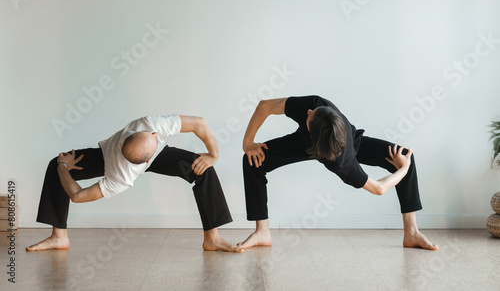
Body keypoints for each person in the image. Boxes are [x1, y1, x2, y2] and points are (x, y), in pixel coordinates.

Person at [238, 95, 438, 251]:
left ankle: (411, 233)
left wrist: (404, 168)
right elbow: (265, 105)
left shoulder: (343, 163)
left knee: (405, 158)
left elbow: (379, 188)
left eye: (309, 115)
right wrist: (248, 143)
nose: (308, 111)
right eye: (311, 112)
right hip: (308, 141)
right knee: (252, 161)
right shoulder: (315, 106)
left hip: (337, 147)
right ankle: (262, 232)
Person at [27, 115, 242, 252]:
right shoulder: (119, 175)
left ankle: (212, 239)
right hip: (113, 158)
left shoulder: (149, 124)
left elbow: (199, 123)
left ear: (150, 133)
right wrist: (63, 167)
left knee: (203, 168)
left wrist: (213, 155)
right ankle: (59, 237)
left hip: (146, 152)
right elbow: (78, 195)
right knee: (55, 165)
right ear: (147, 162)